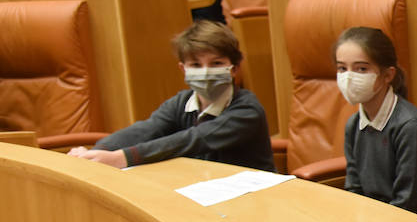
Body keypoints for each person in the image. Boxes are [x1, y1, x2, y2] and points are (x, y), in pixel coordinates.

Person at [69, 21, 272, 170]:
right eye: (196, 65)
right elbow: (146, 130)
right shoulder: (181, 102)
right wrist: (96, 152)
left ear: (234, 68)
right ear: (183, 69)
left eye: (216, 64)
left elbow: (193, 140)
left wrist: (121, 158)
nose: (205, 72)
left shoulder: (247, 109)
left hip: (254, 200)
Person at [335, 26, 417, 213]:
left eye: (361, 68)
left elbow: (407, 202)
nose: (349, 77)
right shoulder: (353, 125)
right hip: (372, 221)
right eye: (342, 68)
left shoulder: (411, 128)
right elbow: (354, 189)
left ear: (387, 75)